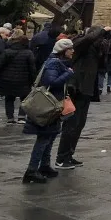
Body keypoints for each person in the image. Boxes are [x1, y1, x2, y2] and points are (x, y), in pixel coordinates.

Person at [22, 38, 76, 183]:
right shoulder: (54, 63)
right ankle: (32, 170)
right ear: (63, 51)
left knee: (50, 136)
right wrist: (68, 73)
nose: (73, 51)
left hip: (54, 105)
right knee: (44, 138)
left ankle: (44, 166)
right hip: (48, 106)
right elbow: (51, 82)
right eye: (70, 49)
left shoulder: (59, 63)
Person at [55, 25, 106, 169]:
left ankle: (69, 155)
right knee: (71, 124)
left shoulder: (95, 49)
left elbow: (103, 65)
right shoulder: (80, 44)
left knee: (79, 124)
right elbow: (89, 38)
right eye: (99, 37)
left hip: (87, 90)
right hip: (77, 88)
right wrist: (102, 30)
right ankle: (61, 157)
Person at [0, 28, 36, 123]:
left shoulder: (7, 52)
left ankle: (10, 117)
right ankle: (21, 116)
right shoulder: (28, 53)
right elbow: (32, 68)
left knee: (9, 98)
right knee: (24, 98)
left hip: (8, 79)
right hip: (24, 80)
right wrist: (33, 80)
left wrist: (1, 76)